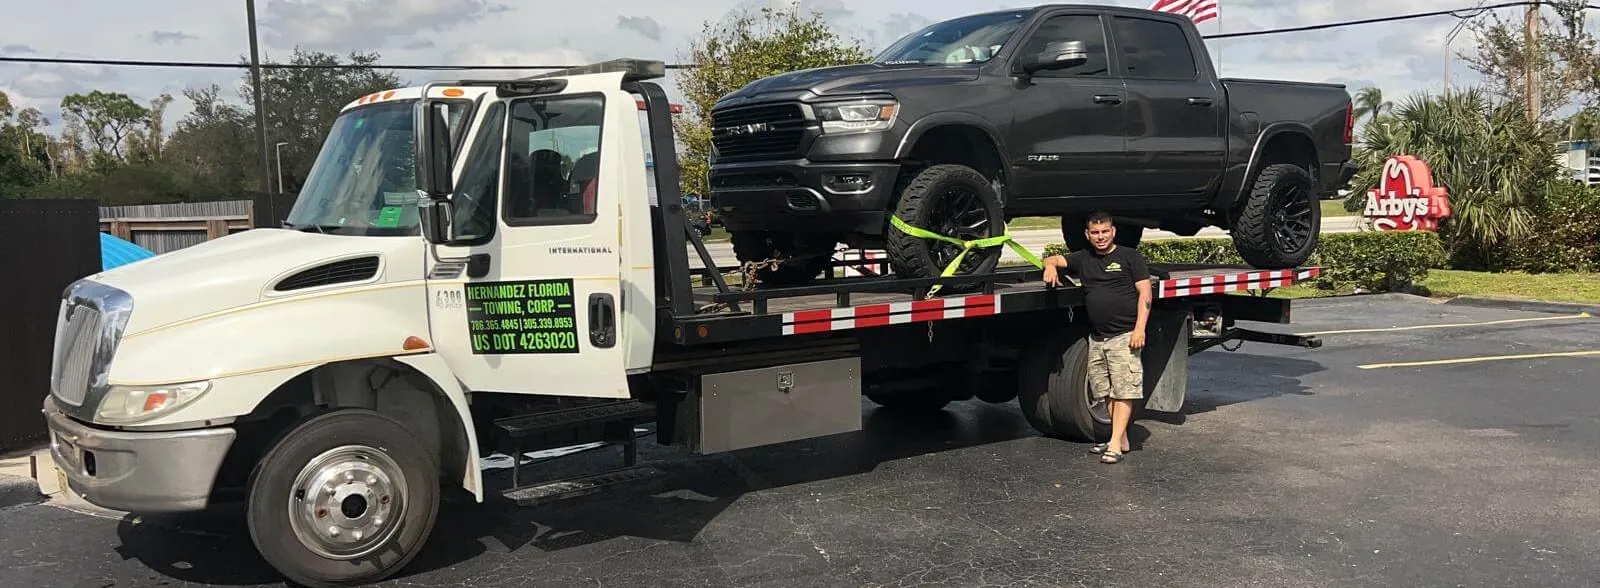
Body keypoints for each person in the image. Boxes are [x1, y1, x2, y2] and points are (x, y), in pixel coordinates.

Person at [1040, 212, 1152, 464]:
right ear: (1087, 235)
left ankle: (1114, 444)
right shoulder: (1083, 258)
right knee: (1106, 392)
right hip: (1098, 338)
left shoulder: (1130, 257)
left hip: (1124, 336)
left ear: (1113, 232)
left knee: (1124, 391)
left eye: (1105, 232)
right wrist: (1049, 266)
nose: (1100, 237)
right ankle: (1120, 438)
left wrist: (1139, 329)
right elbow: (1054, 258)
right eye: (1095, 233)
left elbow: (1145, 293)